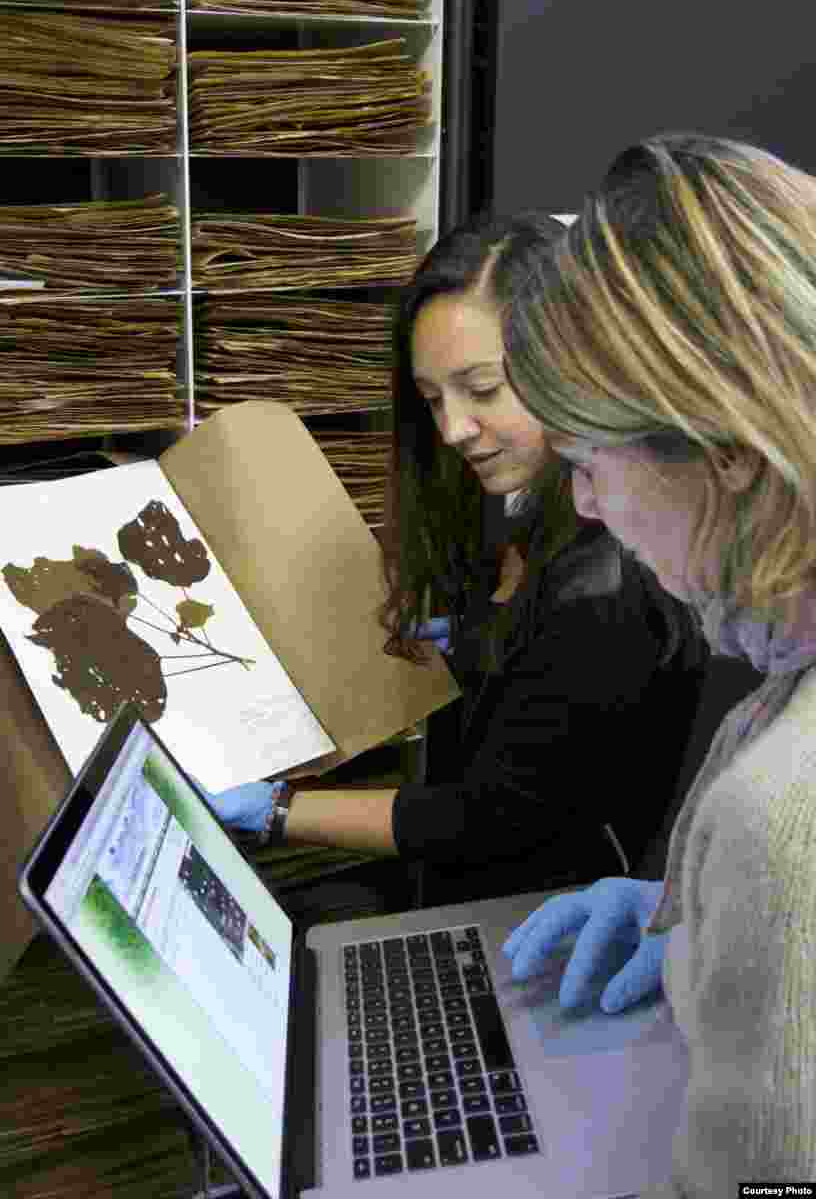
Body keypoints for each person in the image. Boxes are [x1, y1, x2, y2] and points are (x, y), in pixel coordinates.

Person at [205, 214, 708, 905]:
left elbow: (489, 817)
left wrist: (276, 808)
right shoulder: (536, 513)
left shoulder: (605, 591)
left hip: (538, 920)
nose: (452, 429)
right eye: (433, 398)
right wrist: (477, 641)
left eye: (482, 388)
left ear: (574, 363)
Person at [500, 133, 816, 1191]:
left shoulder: (781, 811)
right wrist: (695, 937)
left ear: (725, 449)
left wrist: (767, 901)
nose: (583, 504)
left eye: (589, 462)